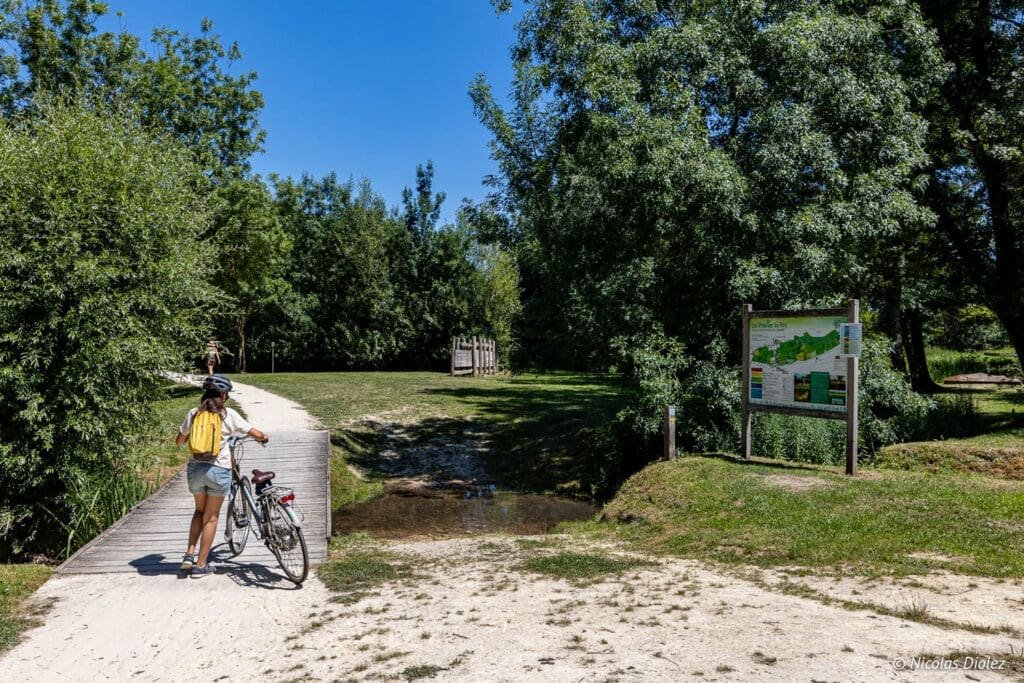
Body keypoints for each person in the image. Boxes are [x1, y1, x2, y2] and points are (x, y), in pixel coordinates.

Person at [175, 374, 268, 578]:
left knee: (199, 511)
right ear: (224, 395)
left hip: (196, 470)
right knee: (211, 517)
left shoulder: (193, 413)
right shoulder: (227, 415)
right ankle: (201, 565)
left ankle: (189, 556)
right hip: (219, 470)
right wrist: (264, 437)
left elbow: (180, 441)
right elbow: (254, 432)